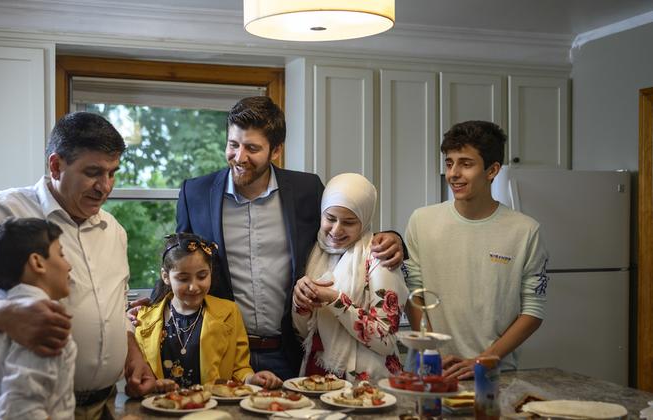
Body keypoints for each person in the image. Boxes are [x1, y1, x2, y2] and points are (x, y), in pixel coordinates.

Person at [168, 96, 405, 379]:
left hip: (291, 352)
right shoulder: (195, 193)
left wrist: (394, 238)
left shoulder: (307, 190)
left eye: (252, 148)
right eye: (233, 144)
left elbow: (344, 234)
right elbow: (180, 259)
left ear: (276, 150)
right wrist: (152, 305)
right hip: (221, 350)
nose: (239, 156)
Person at [0, 112, 157, 419]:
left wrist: (133, 351)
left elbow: (114, 308)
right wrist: (5, 315)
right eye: (93, 172)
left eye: (112, 172)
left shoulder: (115, 230)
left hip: (107, 404)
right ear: (56, 165)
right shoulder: (3, 212)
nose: (105, 186)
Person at [403, 120, 549, 379]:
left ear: (492, 170)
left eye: (466, 164)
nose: (453, 173)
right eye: (449, 163)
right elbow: (414, 294)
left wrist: (483, 360)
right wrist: (432, 352)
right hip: (430, 369)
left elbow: (532, 311)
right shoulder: (421, 221)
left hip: (493, 374)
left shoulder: (525, 231)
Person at [292, 173, 409, 382]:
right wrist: (300, 302)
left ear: (364, 221)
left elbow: (386, 340)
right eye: (330, 218)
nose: (336, 230)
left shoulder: (379, 257)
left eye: (348, 222)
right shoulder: (315, 253)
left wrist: (335, 300)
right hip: (317, 376)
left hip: (367, 384)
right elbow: (303, 333)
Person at [134, 233, 282, 390]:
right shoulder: (143, 319)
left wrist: (252, 379)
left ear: (210, 271)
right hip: (161, 408)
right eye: (183, 279)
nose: (194, 286)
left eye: (202, 276)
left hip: (212, 408)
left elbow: (239, 369)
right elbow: (140, 374)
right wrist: (154, 385)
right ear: (166, 277)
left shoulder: (229, 312)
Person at [0, 218, 76, 419]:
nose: (68, 266)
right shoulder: (45, 324)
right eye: (61, 254)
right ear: (37, 262)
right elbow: (21, 413)